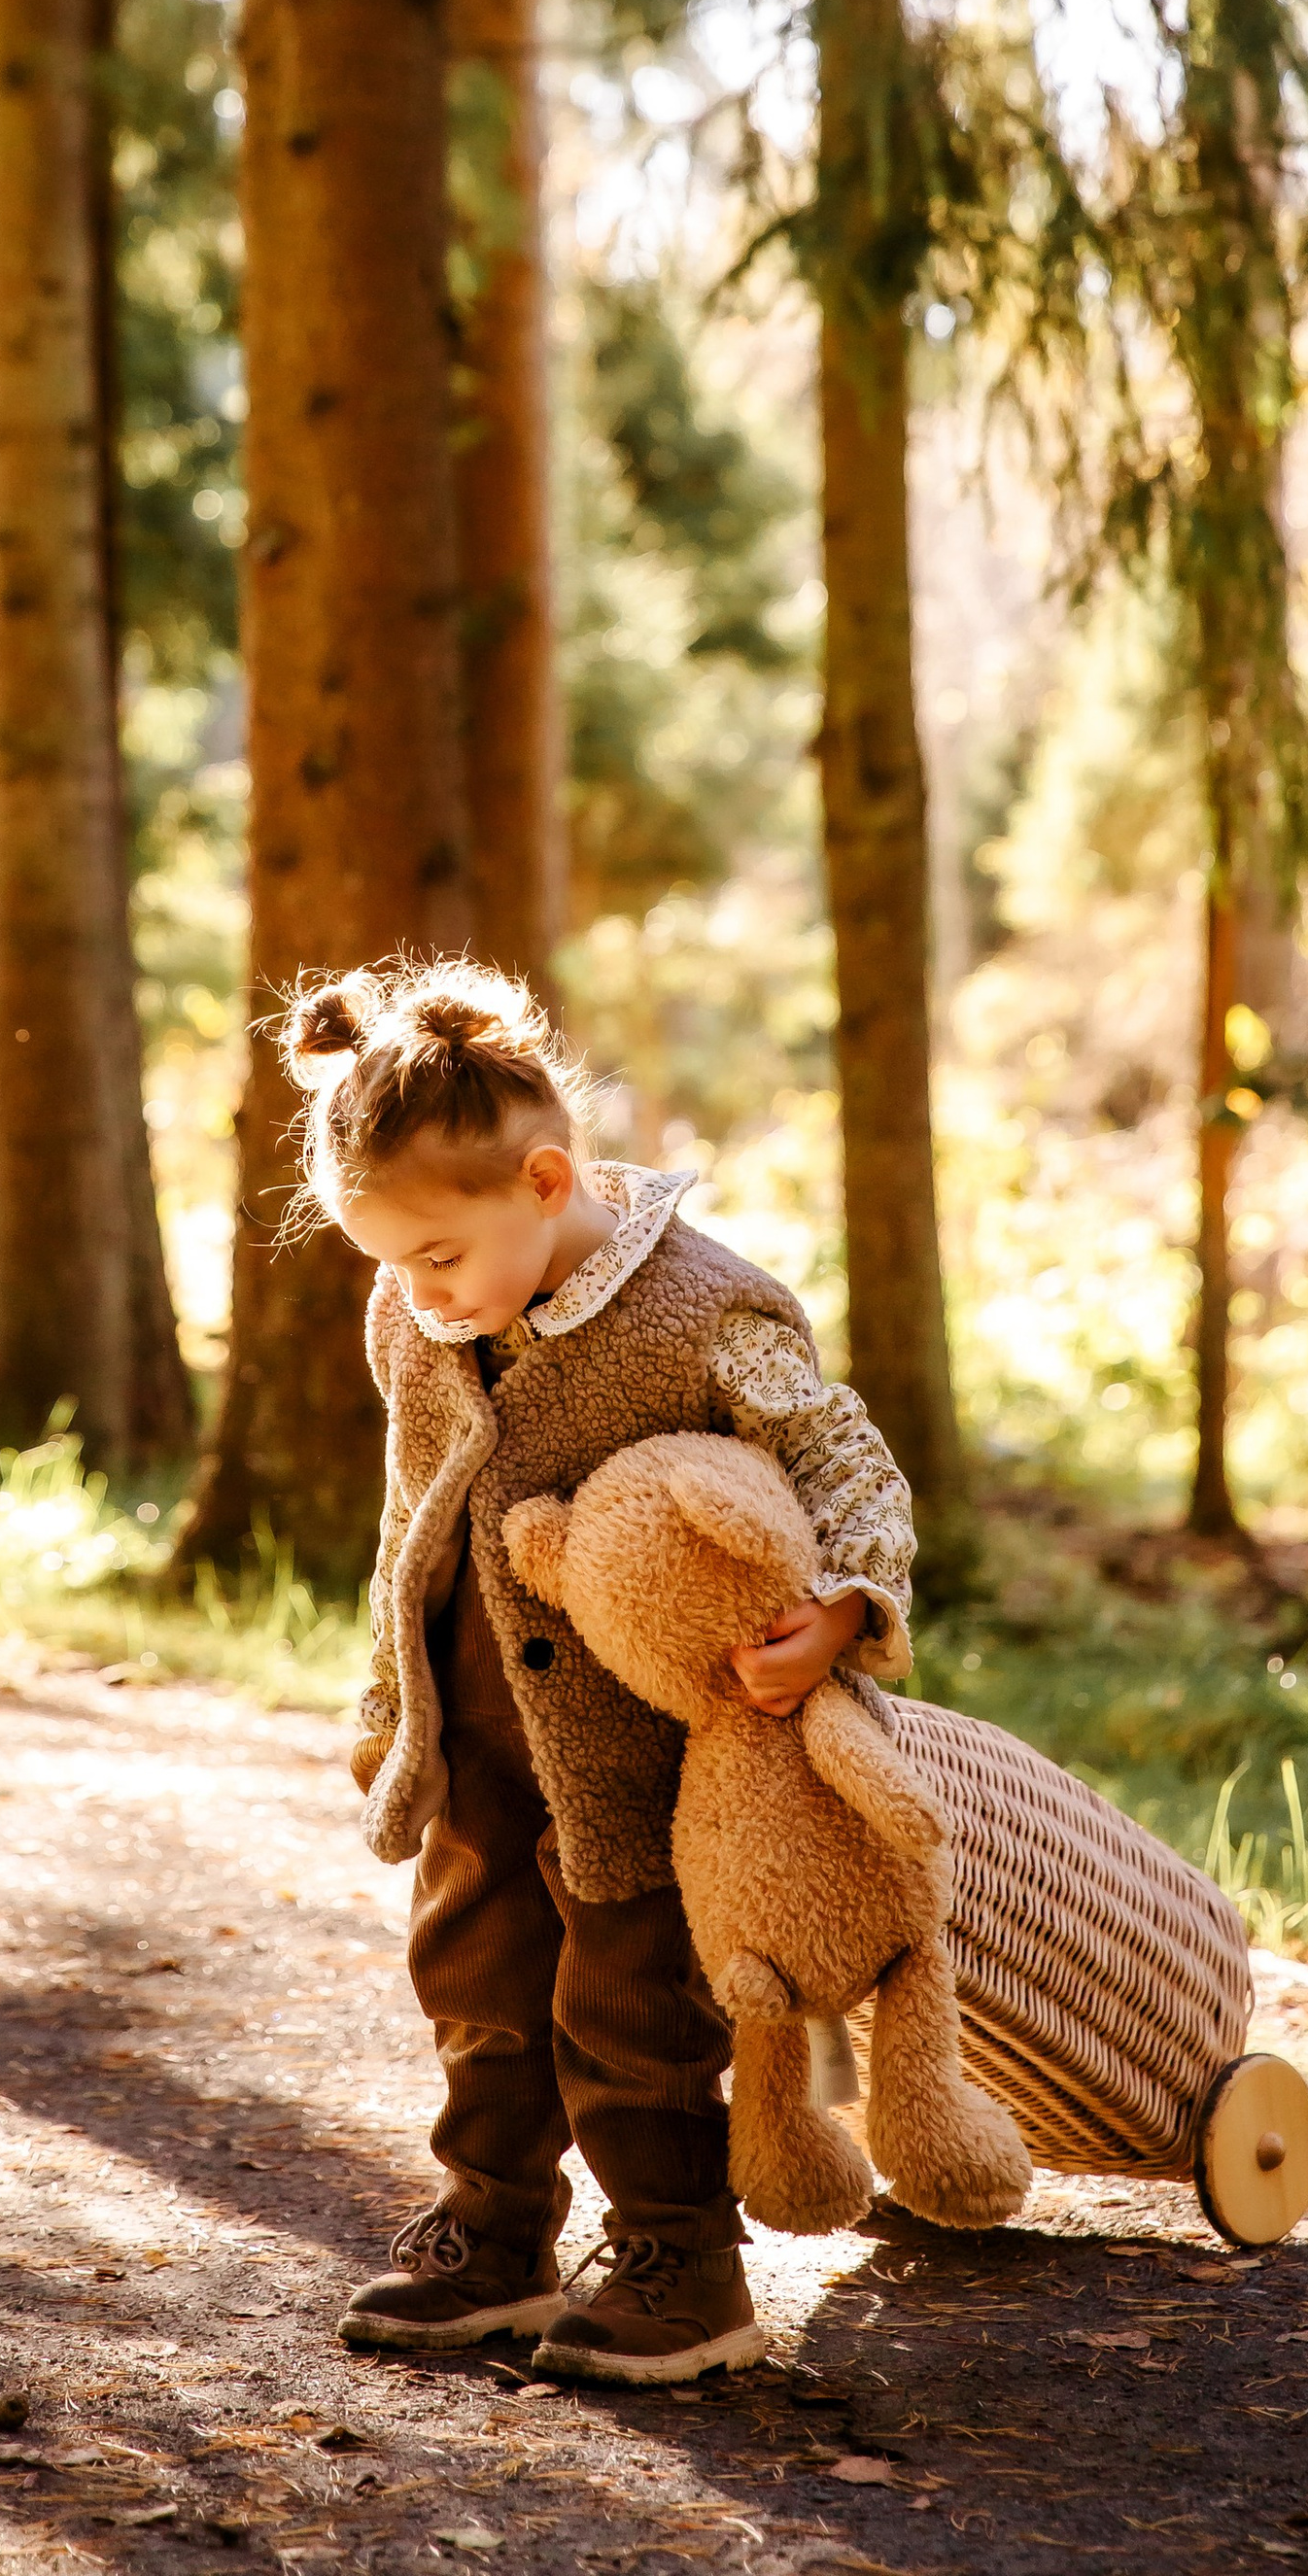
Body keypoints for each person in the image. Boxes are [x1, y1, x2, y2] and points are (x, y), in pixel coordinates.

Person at [285, 956, 917, 2387]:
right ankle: (495, 2232)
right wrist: (392, 1701)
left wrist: (840, 1609)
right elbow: (412, 1515)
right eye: (386, 1262)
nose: (413, 1292)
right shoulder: (418, 1310)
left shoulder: (704, 1311)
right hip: (478, 1725)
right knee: (475, 1976)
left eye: (436, 1256)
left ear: (549, 1179)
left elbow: (844, 1462)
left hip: (645, 1745)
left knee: (634, 1999)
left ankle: (679, 2258)